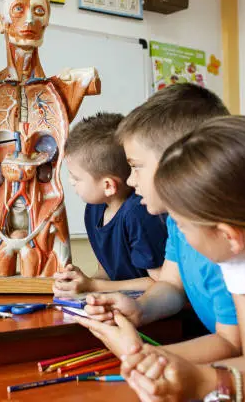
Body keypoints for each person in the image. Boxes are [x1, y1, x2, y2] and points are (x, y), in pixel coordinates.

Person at [119, 116, 245, 402]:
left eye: (181, 225)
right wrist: (171, 370)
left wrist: (209, 382)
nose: (179, 233)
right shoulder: (241, 258)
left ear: (227, 235)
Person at [71, 84, 242, 364]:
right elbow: (171, 285)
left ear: (181, 165)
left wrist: (141, 355)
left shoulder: (221, 242)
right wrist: (140, 308)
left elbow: (233, 344)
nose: (129, 180)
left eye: (136, 166)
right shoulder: (176, 222)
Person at [53, 112, 167, 296]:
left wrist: (93, 286)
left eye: (76, 177)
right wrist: (80, 283)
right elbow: (106, 273)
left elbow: (159, 283)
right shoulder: (94, 209)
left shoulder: (139, 213)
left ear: (108, 185)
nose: (70, 181)